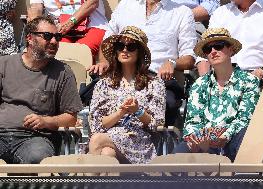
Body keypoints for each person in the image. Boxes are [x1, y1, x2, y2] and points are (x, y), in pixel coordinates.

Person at [91, 0, 197, 127]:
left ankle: (155, 142)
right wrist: (103, 62)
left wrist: (172, 62)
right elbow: (107, 41)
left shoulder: (182, 12)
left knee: (168, 103)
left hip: (157, 79)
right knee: (93, 93)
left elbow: (189, 58)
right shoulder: (125, 5)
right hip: (121, 75)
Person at [0, 16, 83, 164]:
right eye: (47, 36)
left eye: (57, 37)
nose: (54, 41)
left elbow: (71, 118)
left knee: (38, 157)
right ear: (30, 38)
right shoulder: (4, 64)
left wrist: (45, 121)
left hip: (34, 139)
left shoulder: (63, 72)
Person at [173, 28, 260, 162]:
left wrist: (224, 136)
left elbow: (245, 119)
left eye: (218, 46)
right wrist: (196, 140)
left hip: (234, 140)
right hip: (205, 144)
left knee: (245, 137)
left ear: (231, 50)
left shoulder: (249, 81)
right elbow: (192, 121)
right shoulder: (199, 84)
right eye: (208, 49)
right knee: (178, 154)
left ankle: (243, 182)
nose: (213, 51)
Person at [88, 26, 166, 164]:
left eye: (131, 47)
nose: (124, 50)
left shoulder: (154, 83)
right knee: (107, 154)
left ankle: (86, 185)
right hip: (109, 137)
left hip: (139, 140)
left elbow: (157, 123)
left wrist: (138, 111)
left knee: (96, 140)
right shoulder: (103, 84)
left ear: (139, 53)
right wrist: (120, 113)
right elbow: (96, 125)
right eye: (120, 46)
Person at [197, 0, 263, 80]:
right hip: (223, 80)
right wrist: (205, 83)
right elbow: (204, 56)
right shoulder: (220, 13)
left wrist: (262, 71)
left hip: (261, 79)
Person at [28, 0, 108, 62]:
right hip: (58, 30)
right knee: (59, 53)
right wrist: (36, 26)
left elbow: (92, 3)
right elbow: (36, 7)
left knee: (82, 52)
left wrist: (70, 22)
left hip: (93, 25)